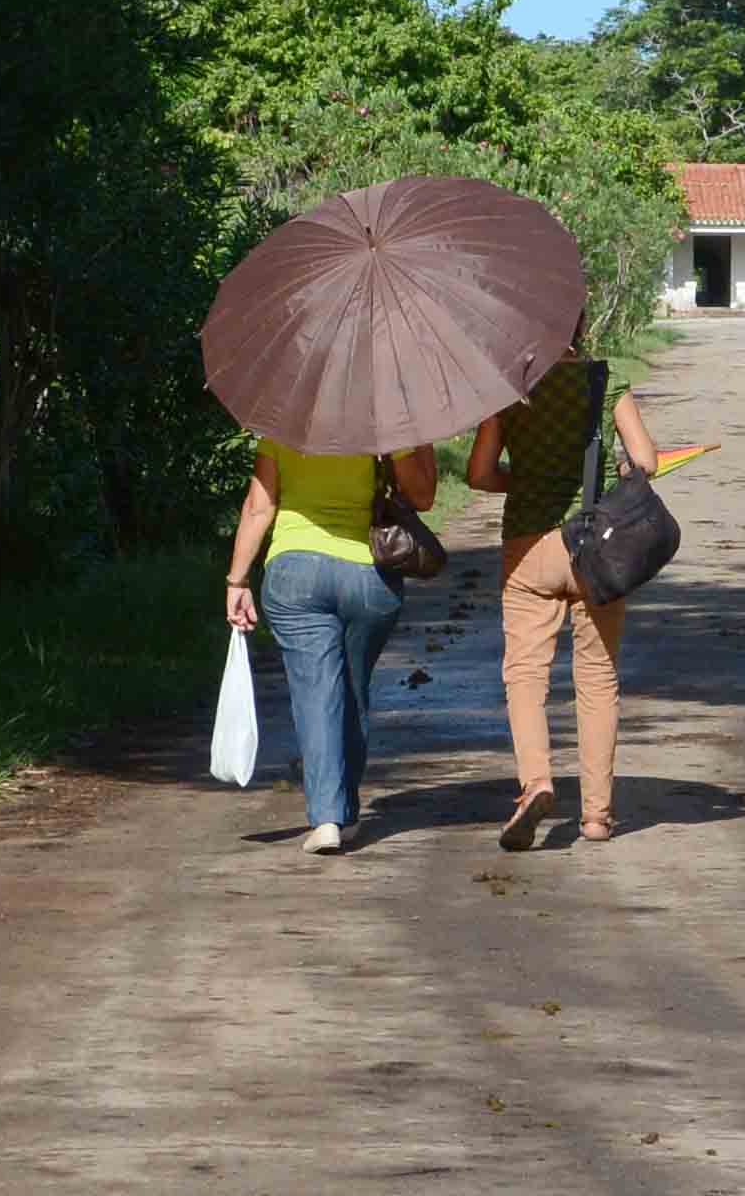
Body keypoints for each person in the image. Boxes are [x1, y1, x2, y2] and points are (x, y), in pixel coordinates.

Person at [466, 346, 664, 851]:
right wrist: (614, 472)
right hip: (595, 547)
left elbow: (480, 474)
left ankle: (537, 782)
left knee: (526, 671)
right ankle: (597, 816)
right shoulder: (603, 377)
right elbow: (646, 461)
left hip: (528, 547)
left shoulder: (506, 384)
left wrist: (525, 479)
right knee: (598, 676)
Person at [226, 436, 440, 854]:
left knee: (316, 693)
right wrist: (418, 439)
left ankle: (327, 817)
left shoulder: (285, 424)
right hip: (368, 579)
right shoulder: (384, 425)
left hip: (295, 574)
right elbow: (424, 496)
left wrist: (237, 580)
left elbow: (259, 505)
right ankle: (347, 812)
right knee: (351, 688)